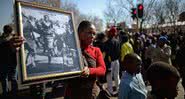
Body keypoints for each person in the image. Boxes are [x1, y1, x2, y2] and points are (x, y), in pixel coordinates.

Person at [64, 20, 106, 99]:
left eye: (94, 34)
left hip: (91, 93)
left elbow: (102, 69)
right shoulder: (70, 50)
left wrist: (89, 71)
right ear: (80, 32)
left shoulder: (96, 50)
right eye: (89, 32)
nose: (93, 36)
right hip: (73, 93)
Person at [0, 25, 23, 96]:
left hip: (3, 61)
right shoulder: (15, 38)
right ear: (10, 31)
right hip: (12, 61)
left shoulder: (1, 39)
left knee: (4, 78)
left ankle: (5, 93)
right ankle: (14, 93)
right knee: (12, 78)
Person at [104, 27, 120, 95]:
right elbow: (119, 52)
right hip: (116, 61)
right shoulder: (117, 41)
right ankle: (119, 90)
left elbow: (105, 53)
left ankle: (110, 91)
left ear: (110, 33)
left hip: (109, 62)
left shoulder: (107, 42)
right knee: (117, 76)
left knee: (109, 77)